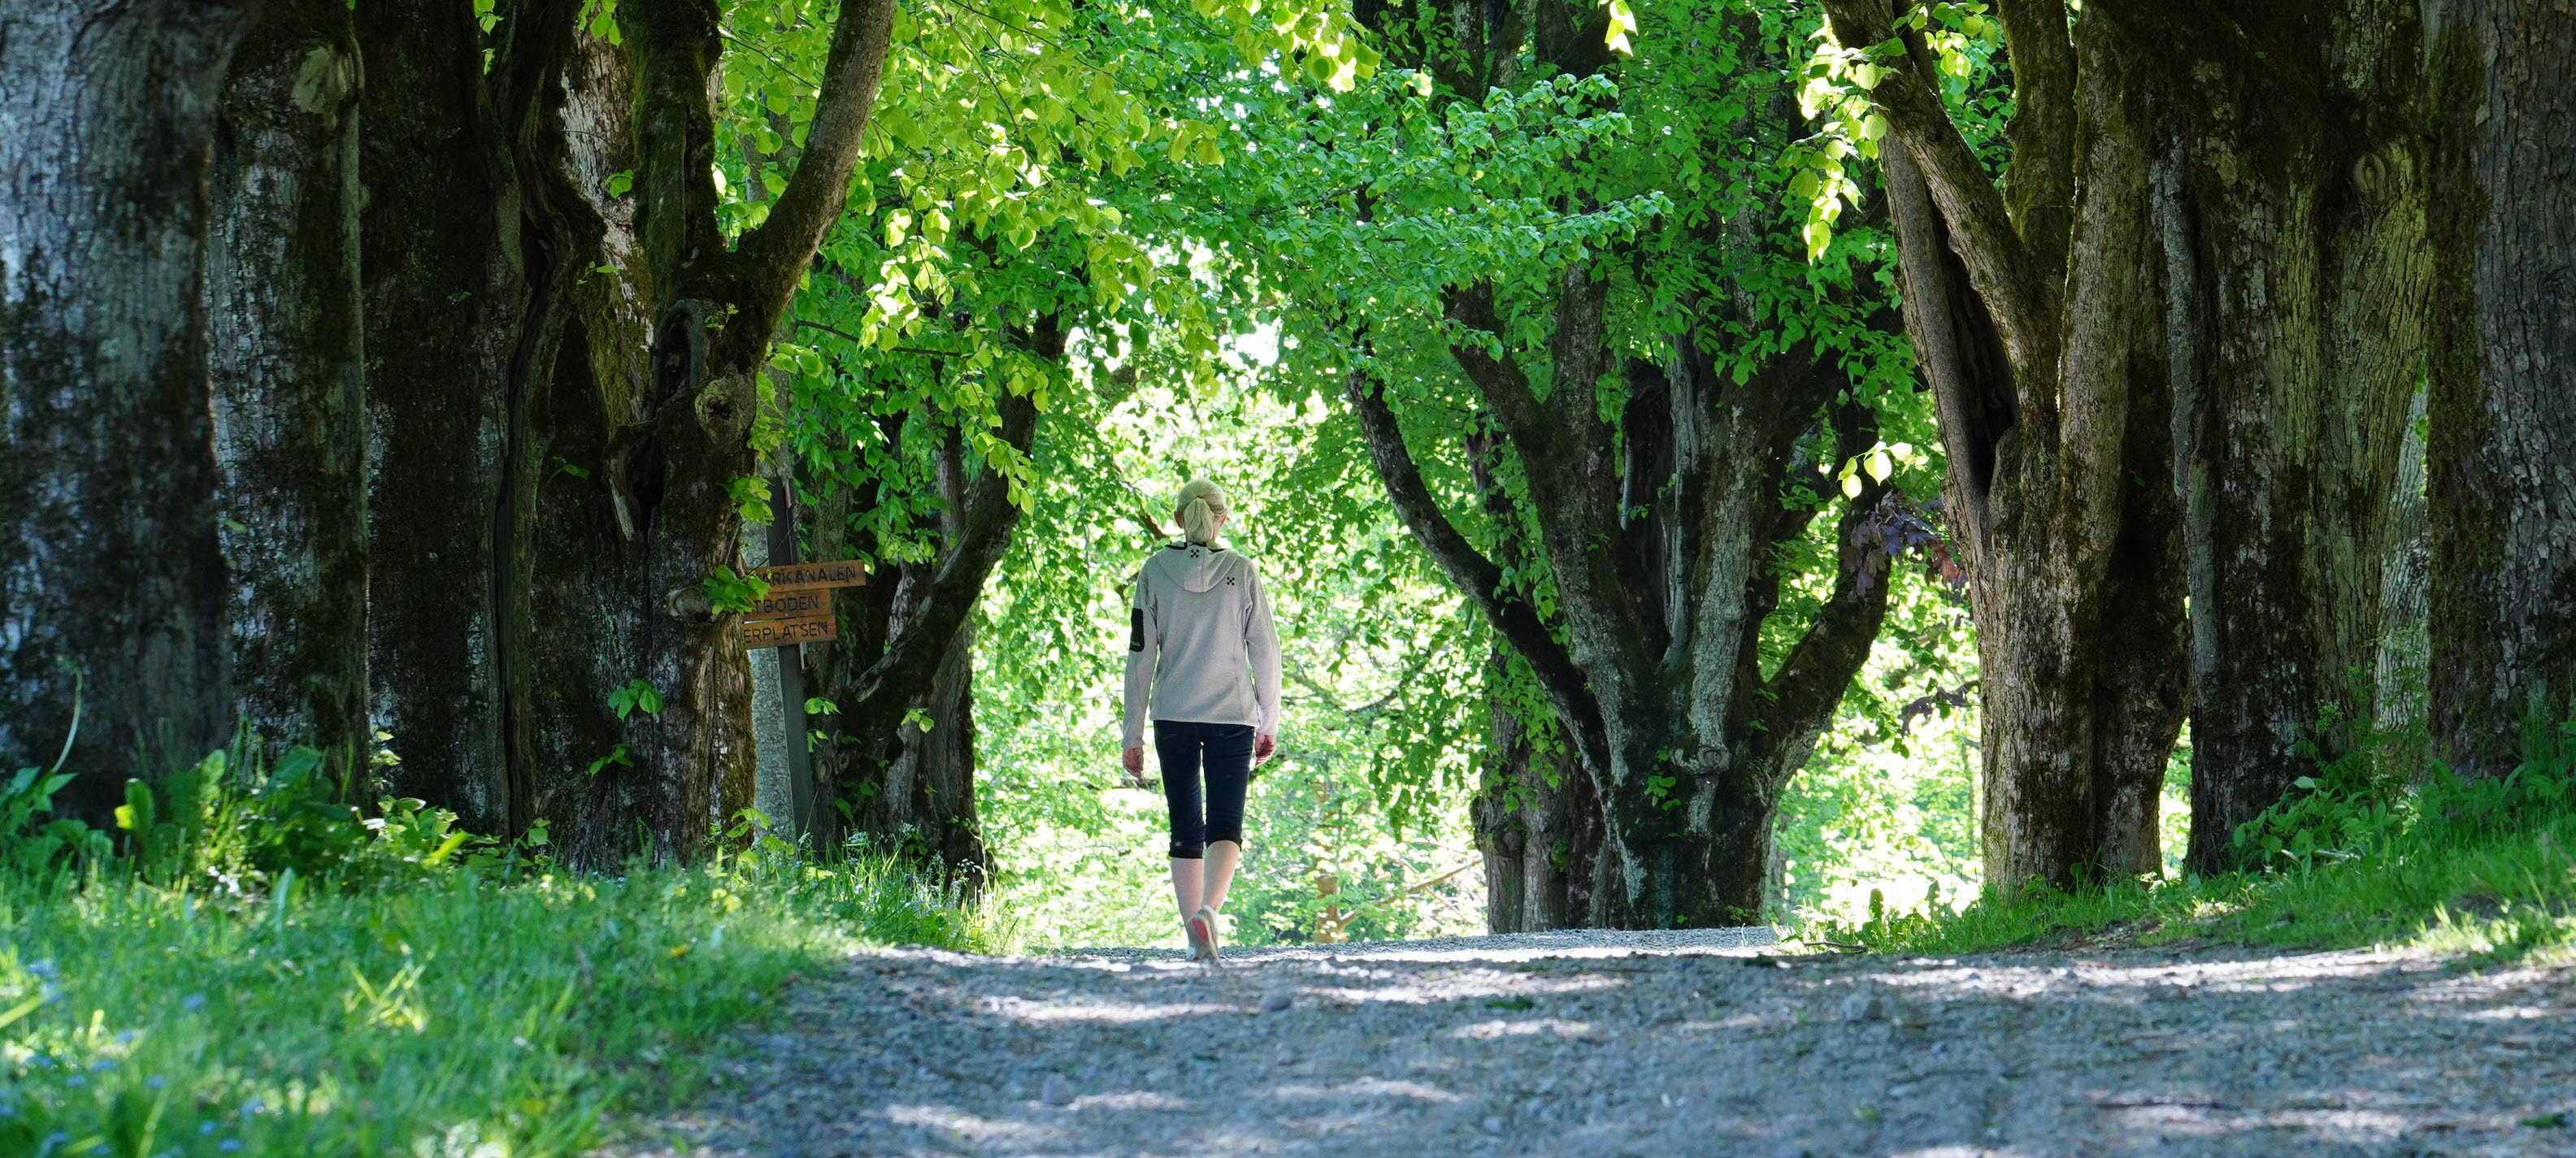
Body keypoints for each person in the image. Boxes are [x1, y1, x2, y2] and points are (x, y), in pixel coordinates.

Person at [1121, 478, 1280, 963]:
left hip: (1173, 714)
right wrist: (1268, 719)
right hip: (1233, 716)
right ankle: (1209, 912)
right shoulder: (1242, 570)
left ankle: (1194, 938)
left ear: (1177, 520)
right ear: (1222, 519)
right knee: (1225, 824)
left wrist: (1132, 734)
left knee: (1185, 827)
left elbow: (1140, 657)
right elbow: (1266, 651)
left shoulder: (1152, 571)